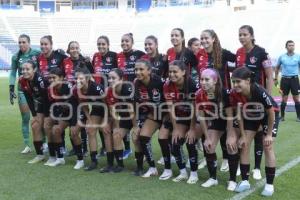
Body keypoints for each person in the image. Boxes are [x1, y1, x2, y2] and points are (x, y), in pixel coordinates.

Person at [230, 67, 279, 197]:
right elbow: (239, 115)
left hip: (268, 116)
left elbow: (271, 113)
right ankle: (245, 181)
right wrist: (243, 135)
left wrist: (268, 134)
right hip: (251, 115)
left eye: (238, 82)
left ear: (247, 81)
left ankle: (269, 185)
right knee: (244, 144)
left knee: (267, 146)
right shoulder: (234, 93)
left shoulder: (258, 90)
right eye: (233, 81)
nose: (235, 85)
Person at [236, 25, 274, 180]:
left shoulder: (261, 53)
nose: (242, 37)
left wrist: (268, 98)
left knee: (259, 132)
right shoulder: (238, 53)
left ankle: (257, 167)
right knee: (244, 132)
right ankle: (242, 165)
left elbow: (270, 76)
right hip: (244, 99)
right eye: (240, 35)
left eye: (245, 34)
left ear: (252, 36)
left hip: (259, 99)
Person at [197, 29, 236, 172]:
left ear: (213, 39)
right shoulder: (199, 54)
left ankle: (226, 158)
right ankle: (207, 156)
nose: (204, 41)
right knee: (206, 126)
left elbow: (238, 60)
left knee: (224, 128)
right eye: (202, 38)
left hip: (222, 98)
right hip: (206, 97)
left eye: (206, 38)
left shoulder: (223, 53)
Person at [194, 68, 238, 190]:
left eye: (206, 79)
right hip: (216, 121)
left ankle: (232, 180)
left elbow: (230, 116)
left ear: (215, 80)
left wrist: (230, 135)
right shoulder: (199, 94)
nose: (203, 82)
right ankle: (213, 178)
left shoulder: (224, 93)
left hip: (230, 120)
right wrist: (207, 138)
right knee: (208, 147)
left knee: (231, 146)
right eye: (201, 79)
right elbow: (202, 118)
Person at [163, 60, 200, 184]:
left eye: (175, 72)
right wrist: (176, 129)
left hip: (196, 117)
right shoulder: (167, 85)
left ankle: (194, 173)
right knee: (175, 143)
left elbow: (195, 109)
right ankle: (183, 172)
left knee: (190, 142)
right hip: (180, 117)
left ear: (183, 72)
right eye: (170, 72)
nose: (172, 74)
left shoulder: (192, 84)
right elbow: (170, 107)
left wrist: (192, 129)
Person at [132, 59, 167, 177]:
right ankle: (152, 168)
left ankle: (169, 169)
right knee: (143, 136)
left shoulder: (159, 82)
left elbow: (170, 102)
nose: (138, 72)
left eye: (141, 69)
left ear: (149, 71)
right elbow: (134, 106)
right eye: (136, 69)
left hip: (168, 114)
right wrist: (136, 126)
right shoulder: (136, 83)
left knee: (165, 139)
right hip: (154, 115)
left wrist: (167, 118)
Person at [47, 67, 85, 169]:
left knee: (73, 132)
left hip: (78, 111)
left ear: (62, 78)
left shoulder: (68, 87)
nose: (51, 80)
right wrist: (56, 119)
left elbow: (74, 105)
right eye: (50, 78)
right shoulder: (50, 89)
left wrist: (73, 124)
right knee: (56, 130)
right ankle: (60, 158)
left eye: (53, 78)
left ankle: (80, 160)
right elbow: (54, 104)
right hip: (66, 112)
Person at [9, 34, 40, 154]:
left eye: (23, 42)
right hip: (22, 89)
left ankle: (44, 142)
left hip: (36, 89)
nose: (21, 44)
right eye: (19, 42)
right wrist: (11, 88)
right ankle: (27, 144)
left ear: (29, 42)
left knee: (40, 116)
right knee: (26, 117)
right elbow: (12, 73)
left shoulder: (37, 53)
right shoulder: (16, 57)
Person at [117, 33, 145, 159]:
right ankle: (127, 149)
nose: (124, 43)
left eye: (127, 41)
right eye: (122, 41)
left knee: (138, 124)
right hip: (122, 95)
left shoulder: (139, 54)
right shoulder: (117, 56)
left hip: (137, 95)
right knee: (124, 121)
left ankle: (142, 152)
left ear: (132, 42)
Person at [63, 41, 91, 156]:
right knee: (72, 122)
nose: (74, 50)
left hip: (81, 95)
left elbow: (90, 76)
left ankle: (84, 149)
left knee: (82, 122)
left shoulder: (85, 61)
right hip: (70, 97)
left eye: (76, 48)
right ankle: (75, 147)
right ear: (68, 50)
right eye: (72, 48)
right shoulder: (64, 61)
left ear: (79, 49)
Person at [92, 35, 118, 158]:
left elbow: (118, 72)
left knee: (112, 124)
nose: (101, 46)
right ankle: (104, 148)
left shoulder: (114, 56)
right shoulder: (95, 56)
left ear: (108, 45)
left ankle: (123, 149)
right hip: (98, 95)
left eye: (103, 44)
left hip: (111, 95)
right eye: (99, 44)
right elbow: (93, 72)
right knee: (101, 124)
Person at [19, 60, 48, 164]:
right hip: (40, 104)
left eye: (27, 69)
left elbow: (46, 98)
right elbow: (29, 99)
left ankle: (57, 155)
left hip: (52, 104)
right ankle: (40, 155)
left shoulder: (40, 80)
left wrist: (47, 116)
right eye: (23, 69)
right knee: (35, 125)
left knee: (48, 126)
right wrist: (35, 115)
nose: (24, 71)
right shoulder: (22, 80)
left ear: (34, 70)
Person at [105, 68, 134, 173]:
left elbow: (133, 110)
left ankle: (143, 165)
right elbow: (113, 111)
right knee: (116, 135)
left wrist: (135, 127)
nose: (111, 80)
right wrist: (116, 127)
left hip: (136, 117)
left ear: (121, 79)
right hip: (124, 118)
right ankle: (120, 165)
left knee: (137, 137)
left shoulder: (128, 89)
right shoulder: (109, 91)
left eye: (114, 78)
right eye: (109, 78)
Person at [275, 40, 300, 122]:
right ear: (286, 47)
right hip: (284, 80)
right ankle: (282, 117)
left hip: (295, 80)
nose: (291, 47)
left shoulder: (298, 56)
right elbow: (277, 67)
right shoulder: (282, 57)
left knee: (296, 99)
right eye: (289, 45)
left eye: (293, 45)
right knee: (284, 99)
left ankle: (298, 117)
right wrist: (275, 78)